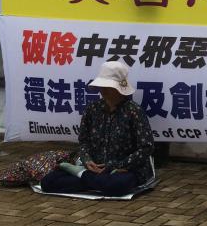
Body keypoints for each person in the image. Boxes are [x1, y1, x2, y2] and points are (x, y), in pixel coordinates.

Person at [40, 61, 155, 196]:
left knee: (117, 184)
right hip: (94, 168)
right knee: (47, 181)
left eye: (108, 87)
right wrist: (87, 160)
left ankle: (82, 176)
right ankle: (90, 178)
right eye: (102, 86)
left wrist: (120, 165)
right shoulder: (92, 109)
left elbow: (146, 147)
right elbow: (83, 141)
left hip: (123, 170)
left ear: (119, 89)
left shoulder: (134, 111)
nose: (103, 91)